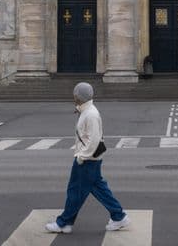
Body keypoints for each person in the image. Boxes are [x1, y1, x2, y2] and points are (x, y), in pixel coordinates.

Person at [45, 82, 130, 234]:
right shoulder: (86, 111)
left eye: (75, 95)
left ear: (80, 97)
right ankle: (118, 216)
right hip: (89, 159)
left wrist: (81, 156)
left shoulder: (90, 114)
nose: (73, 97)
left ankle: (63, 223)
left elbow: (94, 140)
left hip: (86, 160)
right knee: (98, 189)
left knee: (75, 191)